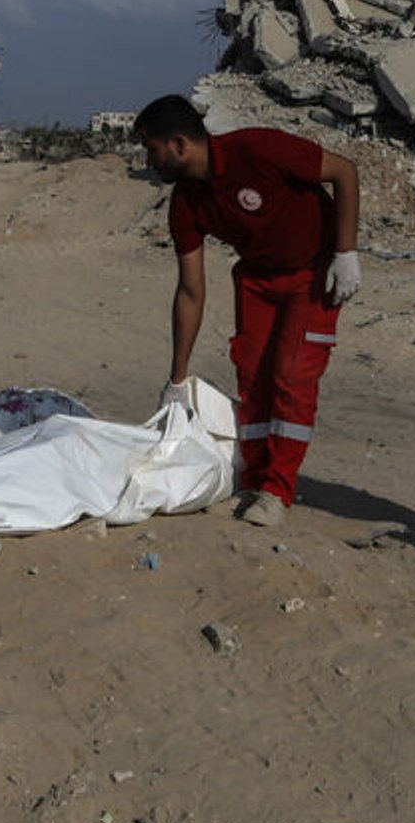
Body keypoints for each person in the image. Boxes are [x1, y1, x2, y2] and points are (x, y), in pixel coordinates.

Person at [133, 94, 361, 527]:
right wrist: (176, 379)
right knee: (253, 376)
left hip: (313, 274)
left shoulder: (258, 150)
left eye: (152, 149)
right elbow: (190, 290)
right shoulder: (186, 203)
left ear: (179, 144)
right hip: (256, 279)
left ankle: (277, 489)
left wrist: (346, 253)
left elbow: (344, 172)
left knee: (292, 378)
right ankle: (253, 478)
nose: (149, 161)